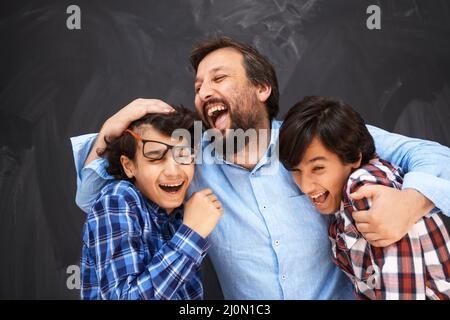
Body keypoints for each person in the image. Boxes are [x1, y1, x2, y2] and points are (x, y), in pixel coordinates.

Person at [71, 37, 450, 299]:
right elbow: (92, 196)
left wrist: (412, 202)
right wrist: (112, 127)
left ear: (262, 88)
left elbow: (434, 155)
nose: (204, 93)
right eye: (199, 86)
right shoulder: (188, 157)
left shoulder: (315, 139)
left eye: (219, 78)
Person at [278, 96, 450, 299]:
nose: (305, 185)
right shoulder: (346, 196)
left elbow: (402, 293)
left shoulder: (362, 189)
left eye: (318, 168)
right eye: (296, 171)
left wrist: (412, 202)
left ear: (353, 157)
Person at [80, 106, 223, 299]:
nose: (174, 171)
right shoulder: (117, 199)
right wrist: (191, 235)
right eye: (155, 157)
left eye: (183, 155)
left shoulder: (181, 213)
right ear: (129, 166)